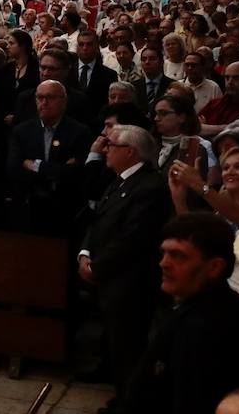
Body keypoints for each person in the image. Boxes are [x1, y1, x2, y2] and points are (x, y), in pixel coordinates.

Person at [120, 213, 239, 414]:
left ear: (214, 267)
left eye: (178, 256)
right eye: (164, 253)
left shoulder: (206, 328)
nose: (164, 263)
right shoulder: (204, 307)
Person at [77, 126, 173, 402]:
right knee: (117, 347)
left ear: (129, 152)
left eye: (112, 145)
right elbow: (100, 220)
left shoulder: (149, 186)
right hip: (111, 278)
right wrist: (85, 252)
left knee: (129, 350)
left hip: (131, 282)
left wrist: (97, 267)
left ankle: (129, 403)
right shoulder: (119, 180)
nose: (105, 150)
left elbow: (133, 237)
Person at [7, 79, 92, 236]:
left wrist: (35, 166)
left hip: (64, 209)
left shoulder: (79, 132)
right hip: (29, 207)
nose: (44, 102)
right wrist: (59, 169)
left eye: (50, 97)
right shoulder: (22, 131)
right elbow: (14, 169)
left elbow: (77, 172)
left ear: (64, 101)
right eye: (39, 97)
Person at [169, 146, 239, 227]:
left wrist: (198, 184)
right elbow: (196, 238)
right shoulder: (219, 211)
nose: (230, 172)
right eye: (226, 168)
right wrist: (178, 197)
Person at [131, 45, 174, 114]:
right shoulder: (133, 86)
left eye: (152, 59)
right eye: (144, 59)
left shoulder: (172, 85)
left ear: (161, 62)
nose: (147, 62)